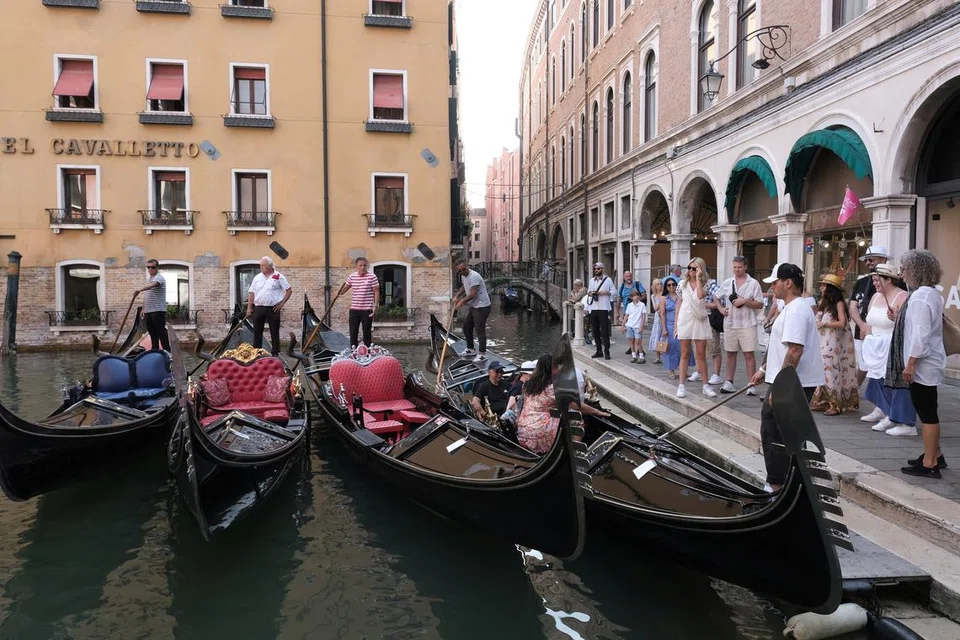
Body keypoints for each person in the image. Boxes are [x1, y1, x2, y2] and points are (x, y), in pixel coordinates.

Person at [751, 263, 825, 492]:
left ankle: (777, 485)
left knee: (775, 433)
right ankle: (784, 482)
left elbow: (795, 350)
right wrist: (764, 369)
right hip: (785, 379)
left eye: (774, 282)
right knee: (778, 431)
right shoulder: (791, 308)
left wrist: (781, 388)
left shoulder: (796, 310)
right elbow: (781, 348)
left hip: (792, 383)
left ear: (788, 283)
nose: (772, 287)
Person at [892, 250, 947, 478]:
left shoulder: (921, 297)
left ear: (916, 269)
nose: (902, 272)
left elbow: (921, 334)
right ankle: (934, 454)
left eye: (905, 267)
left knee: (926, 412)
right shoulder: (931, 294)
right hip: (930, 361)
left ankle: (930, 463)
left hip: (923, 364)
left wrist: (911, 362)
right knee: (928, 408)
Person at [859, 264, 914, 434]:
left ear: (888, 279)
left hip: (893, 346)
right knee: (876, 382)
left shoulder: (902, 296)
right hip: (875, 345)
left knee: (894, 384)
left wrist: (896, 317)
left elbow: (908, 322)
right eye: (874, 280)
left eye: (877, 280)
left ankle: (903, 421)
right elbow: (870, 319)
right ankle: (885, 411)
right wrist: (866, 330)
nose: (874, 283)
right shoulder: (876, 296)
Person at [810, 274, 859, 416]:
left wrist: (824, 323)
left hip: (833, 342)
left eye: (824, 285)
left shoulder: (839, 303)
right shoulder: (823, 303)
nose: (821, 287)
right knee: (822, 369)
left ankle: (835, 404)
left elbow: (842, 322)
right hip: (822, 340)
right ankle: (824, 400)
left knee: (830, 369)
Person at [716, 256, 763, 396]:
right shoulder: (727, 282)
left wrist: (745, 301)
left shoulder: (753, 283)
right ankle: (729, 381)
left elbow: (760, 303)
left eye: (740, 267)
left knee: (749, 353)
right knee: (730, 353)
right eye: (735, 267)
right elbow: (716, 296)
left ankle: (751, 383)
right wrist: (720, 309)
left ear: (745, 267)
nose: (737, 270)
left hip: (747, 323)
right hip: (730, 322)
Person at [849, 246, 892, 387]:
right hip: (862, 331)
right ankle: (854, 393)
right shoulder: (862, 282)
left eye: (871, 259)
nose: (868, 263)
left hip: (883, 332)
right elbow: (853, 306)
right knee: (863, 364)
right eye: (867, 260)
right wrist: (862, 325)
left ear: (883, 260)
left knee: (880, 367)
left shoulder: (894, 282)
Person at [675, 257, 715, 398]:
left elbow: (699, 296)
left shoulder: (707, 284)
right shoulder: (681, 284)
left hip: (700, 319)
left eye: (694, 268)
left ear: (700, 269)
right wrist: (675, 326)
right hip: (685, 318)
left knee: (701, 354)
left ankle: (705, 385)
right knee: (684, 353)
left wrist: (698, 278)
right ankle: (681, 385)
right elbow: (678, 305)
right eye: (689, 268)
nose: (691, 271)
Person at [246, 256, 292, 356]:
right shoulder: (257, 277)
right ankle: (257, 352)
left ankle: (275, 353)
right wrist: (249, 308)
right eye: (260, 266)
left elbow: (289, 290)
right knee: (257, 331)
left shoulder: (279, 276)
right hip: (258, 307)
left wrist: (282, 303)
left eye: (263, 266)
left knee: (274, 331)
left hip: (273, 308)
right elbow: (251, 292)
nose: (261, 268)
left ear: (270, 266)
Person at [454, 258, 492, 363]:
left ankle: (482, 354)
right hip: (475, 306)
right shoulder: (463, 276)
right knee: (466, 327)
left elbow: (472, 293)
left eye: (463, 269)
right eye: (460, 271)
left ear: (467, 266)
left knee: (480, 330)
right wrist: (457, 295)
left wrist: (461, 302)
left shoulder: (474, 276)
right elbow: (464, 287)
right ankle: (471, 349)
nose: (462, 272)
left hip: (482, 307)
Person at [337, 257, 380, 348]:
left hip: (367, 310)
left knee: (367, 333)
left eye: (364, 265)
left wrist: (375, 307)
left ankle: (367, 352)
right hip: (354, 310)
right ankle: (353, 352)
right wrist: (339, 292)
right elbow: (345, 289)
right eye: (360, 265)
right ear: (357, 266)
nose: (363, 267)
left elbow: (376, 292)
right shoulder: (352, 276)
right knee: (353, 333)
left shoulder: (372, 277)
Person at [135, 258, 170, 352]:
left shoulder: (159, 278)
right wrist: (143, 308)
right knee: (152, 332)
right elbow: (147, 295)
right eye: (148, 267)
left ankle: (167, 351)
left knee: (161, 331)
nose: (150, 269)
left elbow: (153, 285)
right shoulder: (149, 279)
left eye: (153, 267)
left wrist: (140, 290)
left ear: (157, 268)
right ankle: (155, 350)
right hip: (148, 310)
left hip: (158, 310)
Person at [586, 262, 617, 360]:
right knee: (595, 331)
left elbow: (614, 292)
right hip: (594, 308)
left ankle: (607, 352)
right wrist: (591, 293)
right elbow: (589, 291)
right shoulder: (592, 281)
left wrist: (605, 292)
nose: (596, 271)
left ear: (602, 269)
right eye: (595, 269)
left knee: (604, 331)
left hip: (603, 308)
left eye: (598, 269)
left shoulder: (608, 280)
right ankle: (598, 350)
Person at [659, 276, 683, 379]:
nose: (671, 286)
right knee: (671, 349)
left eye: (673, 284)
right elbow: (662, 314)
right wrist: (664, 328)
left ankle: (682, 369)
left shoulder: (680, 297)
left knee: (682, 349)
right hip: (669, 326)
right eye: (669, 285)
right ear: (666, 287)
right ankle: (671, 370)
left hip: (681, 325)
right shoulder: (663, 298)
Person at [621, 288, 647, 363]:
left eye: (637, 295)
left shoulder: (642, 305)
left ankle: (641, 356)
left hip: (637, 326)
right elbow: (626, 315)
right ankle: (634, 355)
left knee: (638, 341)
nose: (636, 297)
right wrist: (623, 325)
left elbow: (643, 316)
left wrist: (641, 326)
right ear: (631, 297)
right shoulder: (629, 305)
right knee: (631, 341)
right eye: (634, 296)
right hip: (630, 325)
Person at [648, 278, 664, 364]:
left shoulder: (665, 294)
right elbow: (655, 307)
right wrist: (660, 303)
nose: (660, 286)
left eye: (661, 284)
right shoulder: (653, 296)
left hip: (664, 316)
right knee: (657, 335)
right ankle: (658, 357)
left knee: (663, 336)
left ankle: (664, 353)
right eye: (658, 284)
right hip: (657, 317)